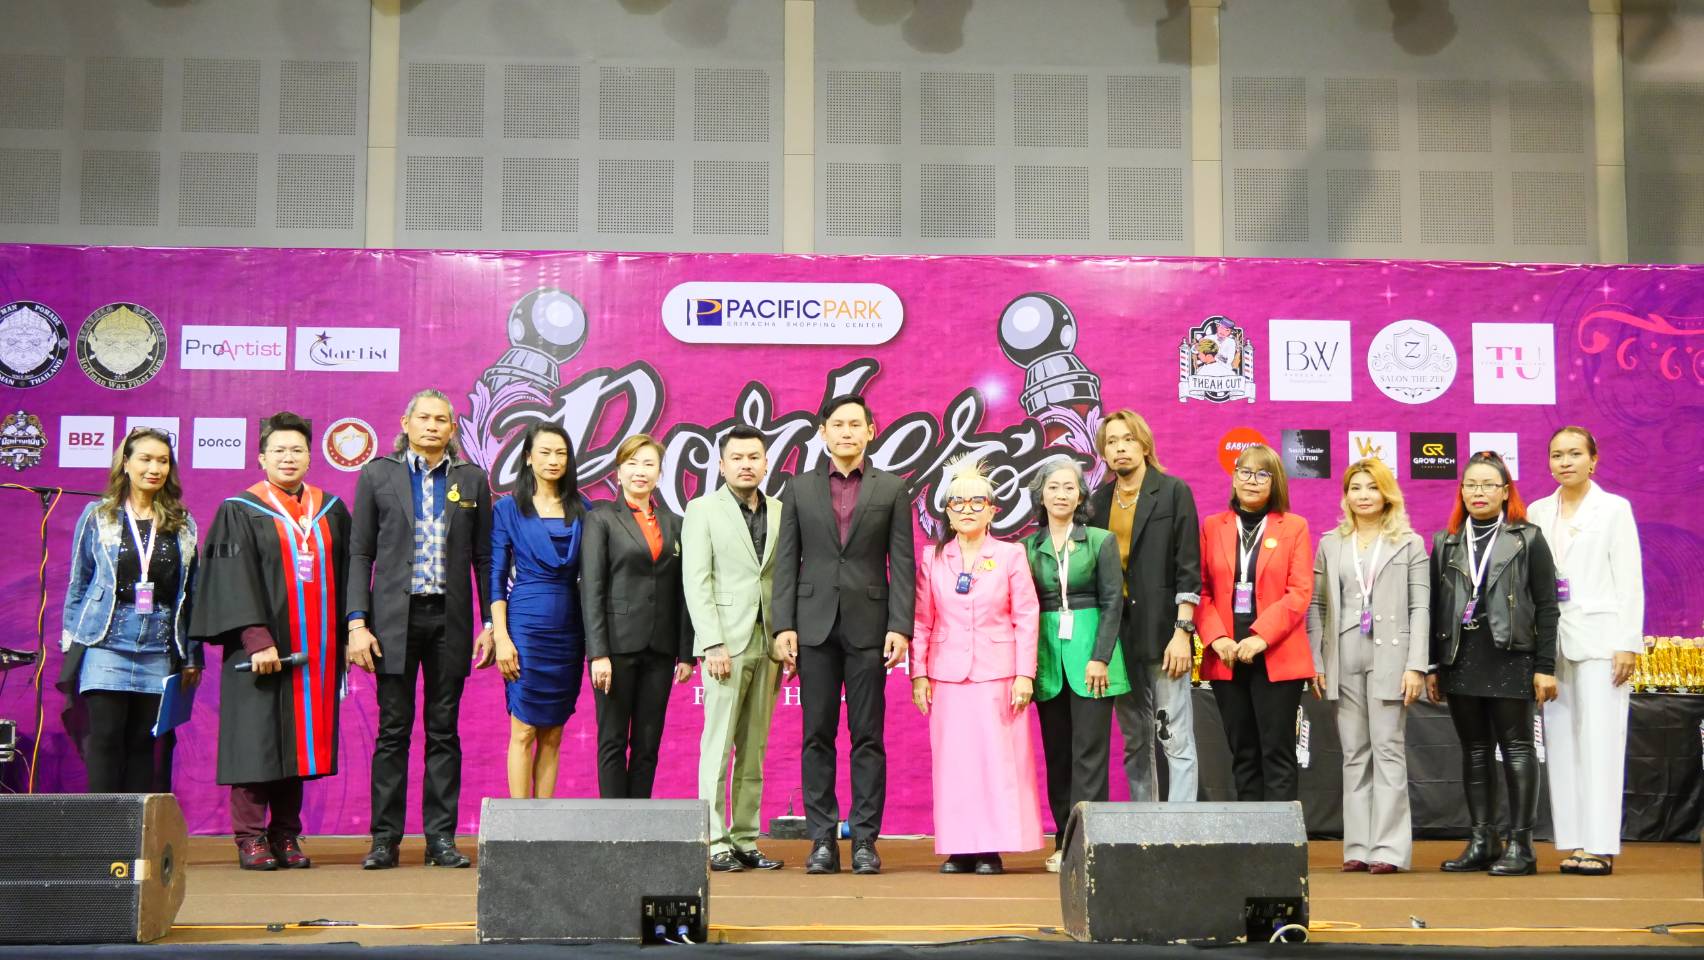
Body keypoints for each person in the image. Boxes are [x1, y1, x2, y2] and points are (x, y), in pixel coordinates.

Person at [191, 412, 350, 870]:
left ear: (310, 457)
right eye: (278, 450)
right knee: (256, 737)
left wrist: (345, 637)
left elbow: (348, 575)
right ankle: (250, 837)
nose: (288, 457)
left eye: (297, 450)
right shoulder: (240, 509)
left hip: (312, 649)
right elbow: (231, 579)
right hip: (259, 649)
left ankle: (285, 834)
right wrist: (256, 638)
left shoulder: (331, 510)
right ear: (261, 458)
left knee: (295, 742)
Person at [347, 390, 494, 870]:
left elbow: (484, 558)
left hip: (449, 620)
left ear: (452, 428)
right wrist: (357, 623)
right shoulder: (378, 474)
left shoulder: (471, 479)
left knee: (443, 730)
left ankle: (440, 839)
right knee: (393, 730)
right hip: (393, 621)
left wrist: (490, 622)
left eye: (442, 419)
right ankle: (384, 840)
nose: (432, 426)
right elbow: (360, 554)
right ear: (405, 422)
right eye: (424, 418)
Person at [773, 395, 917, 876]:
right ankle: (821, 840)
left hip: (869, 626)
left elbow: (902, 562)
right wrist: (784, 625)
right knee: (816, 734)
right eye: (838, 425)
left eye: (856, 424)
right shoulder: (798, 488)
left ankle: (864, 840)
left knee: (867, 735)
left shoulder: (892, 488)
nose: (847, 432)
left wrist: (900, 625)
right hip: (812, 627)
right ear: (823, 432)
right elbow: (786, 562)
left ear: (871, 430)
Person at [1428, 451, 1559, 877]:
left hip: (1511, 656)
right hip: (1460, 657)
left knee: (1517, 749)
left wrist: (1545, 665)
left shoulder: (1528, 538)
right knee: (1475, 750)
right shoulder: (1446, 541)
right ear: (1461, 491)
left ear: (1505, 492)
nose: (1478, 492)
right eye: (1471, 485)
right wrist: (1433, 666)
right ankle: (1483, 840)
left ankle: (1522, 845)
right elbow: (1434, 607)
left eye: (1488, 484)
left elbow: (1547, 606)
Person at [912, 458, 1043, 875]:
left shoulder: (1010, 555)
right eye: (957, 502)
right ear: (947, 512)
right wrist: (918, 674)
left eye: (976, 502)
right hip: (947, 673)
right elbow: (921, 620)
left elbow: (1026, 616)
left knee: (996, 761)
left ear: (992, 510)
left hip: (998, 672)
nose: (966, 509)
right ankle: (959, 848)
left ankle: (991, 848)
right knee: (954, 764)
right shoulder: (933, 558)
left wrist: (1024, 674)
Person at [61, 427, 201, 793]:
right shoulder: (98, 515)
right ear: (126, 463)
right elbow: (79, 581)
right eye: (146, 459)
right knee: (105, 738)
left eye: (163, 461)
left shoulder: (182, 523)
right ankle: (101, 827)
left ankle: (134, 828)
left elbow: (191, 594)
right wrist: (72, 642)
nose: (154, 468)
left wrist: (192, 655)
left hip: (159, 647)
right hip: (105, 643)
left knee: (144, 744)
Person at [1306, 458, 1429, 874]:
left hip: (1391, 657)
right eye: (1355, 488)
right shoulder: (1331, 542)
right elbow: (1317, 604)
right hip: (1343, 655)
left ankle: (1389, 850)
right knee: (1354, 752)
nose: (1363, 495)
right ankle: (1358, 846)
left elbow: (1421, 607)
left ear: (1387, 493)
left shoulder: (1409, 543)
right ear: (1345, 496)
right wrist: (1317, 658)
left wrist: (1416, 665)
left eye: (1372, 487)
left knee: (1388, 749)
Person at [1530, 427, 1641, 877]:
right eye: (1557, 454)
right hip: (1553, 642)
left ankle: (1600, 844)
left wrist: (1627, 643)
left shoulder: (1614, 509)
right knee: (1561, 743)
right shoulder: (1538, 511)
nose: (1565, 462)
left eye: (1575, 454)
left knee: (1601, 742)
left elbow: (1629, 579)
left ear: (1593, 459)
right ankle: (1575, 840)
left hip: (1601, 640)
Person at [682, 426, 785, 872]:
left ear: (766, 463)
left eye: (754, 457)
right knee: (718, 746)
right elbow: (696, 580)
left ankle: (745, 838)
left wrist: (786, 636)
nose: (746, 464)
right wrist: (711, 642)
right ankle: (714, 841)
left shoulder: (781, 510)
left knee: (754, 748)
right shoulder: (702, 509)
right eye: (737, 457)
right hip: (724, 641)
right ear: (722, 465)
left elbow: (785, 578)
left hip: (769, 642)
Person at [1087, 410, 1201, 803]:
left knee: (1174, 735)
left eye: (1128, 439)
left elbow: (1189, 567)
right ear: (1103, 451)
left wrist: (1182, 632)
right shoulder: (1098, 502)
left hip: (1165, 633)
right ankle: (1144, 822)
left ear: (1145, 445)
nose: (1120, 448)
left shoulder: (1172, 491)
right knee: (1135, 739)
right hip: (1118, 637)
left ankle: (1181, 825)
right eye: (1112, 441)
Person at [1023, 455, 1127, 873]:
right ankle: (1062, 842)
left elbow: (1113, 603)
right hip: (1047, 656)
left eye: (1069, 487)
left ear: (1082, 496)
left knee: (1090, 753)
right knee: (1058, 755)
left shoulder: (1101, 540)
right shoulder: (1027, 547)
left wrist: (1100, 656)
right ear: (1040, 496)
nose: (1061, 494)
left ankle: (1088, 843)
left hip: (1092, 655)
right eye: (1053, 487)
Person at [1196, 443, 1314, 802]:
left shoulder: (1294, 526)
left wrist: (1260, 637)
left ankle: (1281, 835)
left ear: (1274, 482)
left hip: (1276, 655)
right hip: (1227, 655)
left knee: (1277, 753)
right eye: (1244, 472)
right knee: (1243, 754)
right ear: (1234, 479)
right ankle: (1251, 832)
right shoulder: (1213, 526)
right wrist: (1218, 639)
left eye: (1262, 474)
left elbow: (1299, 592)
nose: (1252, 480)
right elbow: (1200, 590)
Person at [582, 433, 694, 799]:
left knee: (648, 743)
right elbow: (592, 589)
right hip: (615, 648)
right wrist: (598, 653)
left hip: (660, 648)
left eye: (649, 464)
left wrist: (686, 652)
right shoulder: (601, 519)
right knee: (612, 740)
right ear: (618, 472)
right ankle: (614, 824)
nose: (640, 471)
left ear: (660, 473)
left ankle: (641, 821)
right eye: (632, 463)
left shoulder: (675, 523)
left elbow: (684, 591)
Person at [488, 424, 586, 799]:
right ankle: (519, 822)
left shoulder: (584, 509)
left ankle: (544, 822)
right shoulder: (508, 509)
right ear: (528, 457)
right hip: (525, 626)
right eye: (544, 452)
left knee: (554, 732)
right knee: (524, 729)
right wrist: (501, 637)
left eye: (561, 453)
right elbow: (496, 578)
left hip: (569, 629)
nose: (553, 460)